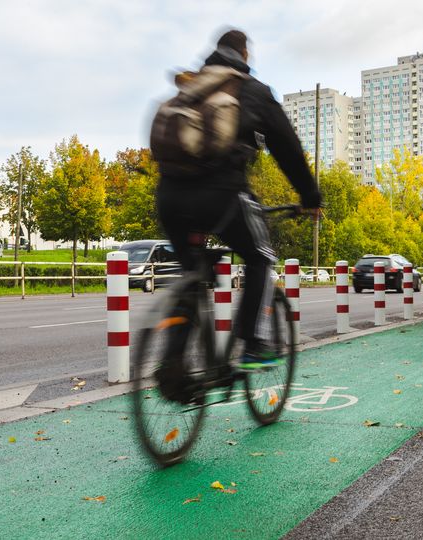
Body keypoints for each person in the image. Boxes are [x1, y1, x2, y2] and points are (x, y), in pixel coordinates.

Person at [154, 29, 322, 399]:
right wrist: (310, 195)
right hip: (221, 195)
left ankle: (174, 365)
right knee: (261, 256)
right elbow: (288, 148)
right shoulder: (252, 90)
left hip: (169, 197)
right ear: (245, 55)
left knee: (194, 272)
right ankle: (253, 345)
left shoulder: (190, 88)